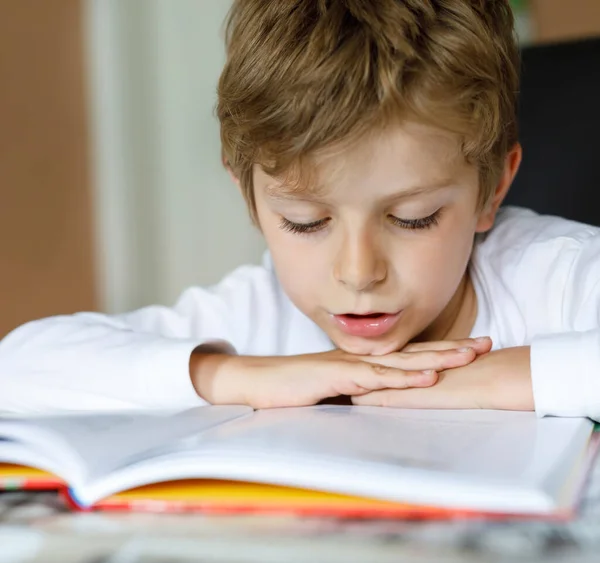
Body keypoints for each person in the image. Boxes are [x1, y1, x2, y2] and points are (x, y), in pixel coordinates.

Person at [0, 0, 598, 418]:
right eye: (305, 223)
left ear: (491, 191)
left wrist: (497, 377)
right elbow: (17, 369)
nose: (359, 273)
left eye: (413, 217)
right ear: (250, 199)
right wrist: (242, 378)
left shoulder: (559, 280)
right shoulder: (254, 318)